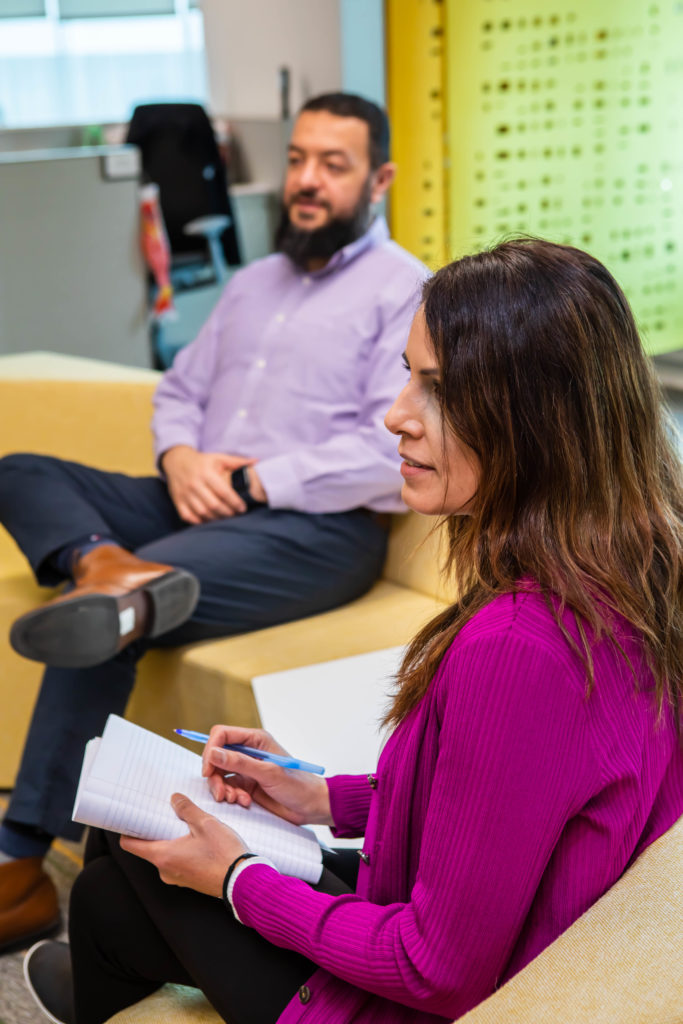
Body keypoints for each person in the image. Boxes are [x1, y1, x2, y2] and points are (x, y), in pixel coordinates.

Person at [22, 238, 683, 1024]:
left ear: (534, 416)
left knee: (123, 864)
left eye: (437, 390)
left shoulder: (522, 644)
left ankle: (106, 974)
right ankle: (108, 969)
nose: (394, 415)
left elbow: (435, 970)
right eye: (408, 374)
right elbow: (512, 800)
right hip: (466, 928)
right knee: (122, 860)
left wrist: (238, 878)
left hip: (411, 1000)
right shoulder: (626, 566)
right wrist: (316, 797)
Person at [0, 92, 429, 950]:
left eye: (331, 165)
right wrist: (181, 459)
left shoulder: (407, 291)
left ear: (377, 178)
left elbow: (389, 448)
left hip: (313, 527)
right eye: (299, 159)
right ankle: (104, 564)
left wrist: (261, 476)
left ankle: (20, 860)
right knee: (21, 470)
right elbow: (182, 391)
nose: (306, 181)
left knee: (121, 616)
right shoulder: (252, 282)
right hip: (195, 495)